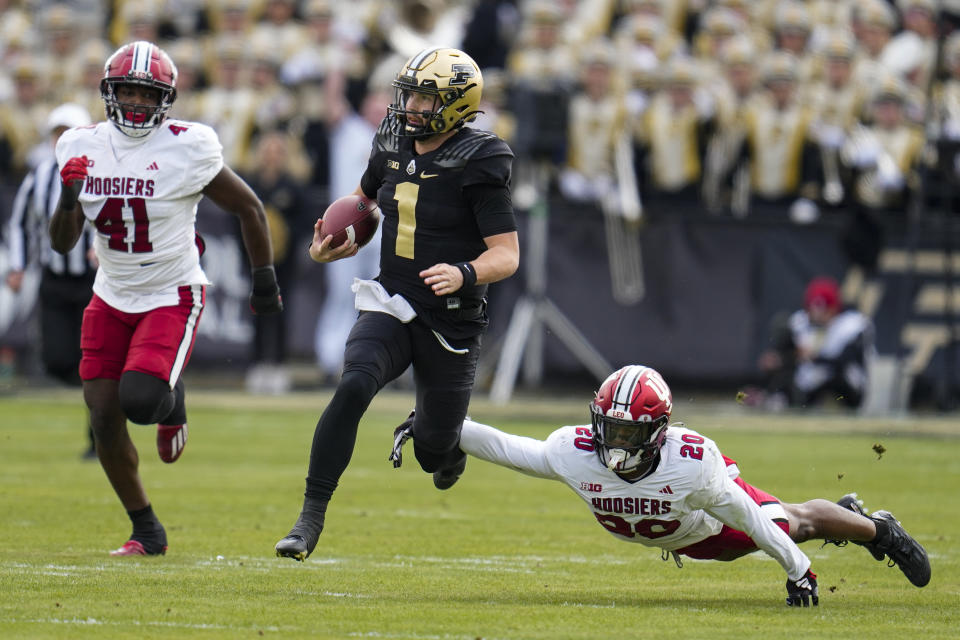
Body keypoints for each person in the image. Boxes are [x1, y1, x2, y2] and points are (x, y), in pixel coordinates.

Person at [394, 365, 930, 606]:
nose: (617, 443)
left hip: (706, 525)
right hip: (678, 534)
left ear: (657, 431)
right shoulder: (573, 452)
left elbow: (747, 518)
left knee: (794, 523)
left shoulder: (691, 465)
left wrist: (800, 572)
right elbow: (510, 448)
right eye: (611, 428)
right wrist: (437, 424)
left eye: (630, 432)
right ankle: (853, 517)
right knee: (787, 526)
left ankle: (878, 530)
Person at [275, 47, 519, 561]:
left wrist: (464, 272)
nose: (409, 106)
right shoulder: (390, 140)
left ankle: (443, 441)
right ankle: (308, 519)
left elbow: (507, 255)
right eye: (408, 94)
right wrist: (332, 241)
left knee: (434, 452)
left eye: (424, 98)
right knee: (354, 385)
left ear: (455, 104)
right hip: (392, 298)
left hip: (451, 317)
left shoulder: (481, 160)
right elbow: (364, 203)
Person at [48, 41, 282, 557]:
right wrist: (69, 196)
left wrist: (264, 280)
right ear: (108, 93)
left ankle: (171, 399)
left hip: (171, 290)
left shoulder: (189, 145)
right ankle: (146, 528)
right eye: (126, 90)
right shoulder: (78, 144)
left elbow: (249, 207)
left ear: (166, 99)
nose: (134, 102)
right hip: (110, 292)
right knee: (103, 416)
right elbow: (63, 241)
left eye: (145, 93)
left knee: (140, 402)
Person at [5, 102, 97, 459]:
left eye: (68, 132)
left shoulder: (102, 172)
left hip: (92, 280)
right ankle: (106, 392)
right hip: (54, 280)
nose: (62, 139)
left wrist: (104, 248)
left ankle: (97, 436)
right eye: (57, 133)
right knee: (58, 361)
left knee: (93, 362)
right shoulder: (40, 176)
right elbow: (20, 224)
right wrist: (18, 265)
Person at [757, 276, 874, 409]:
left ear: (834, 308)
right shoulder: (800, 322)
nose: (817, 316)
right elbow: (788, 354)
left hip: (845, 390)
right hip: (810, 389)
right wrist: (777, 358)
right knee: (786, 371)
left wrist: (814, 356)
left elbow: (845, 361)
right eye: (812, 311)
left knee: (833, 377)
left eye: (823, 311)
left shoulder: (853, 325)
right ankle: (777, 399)